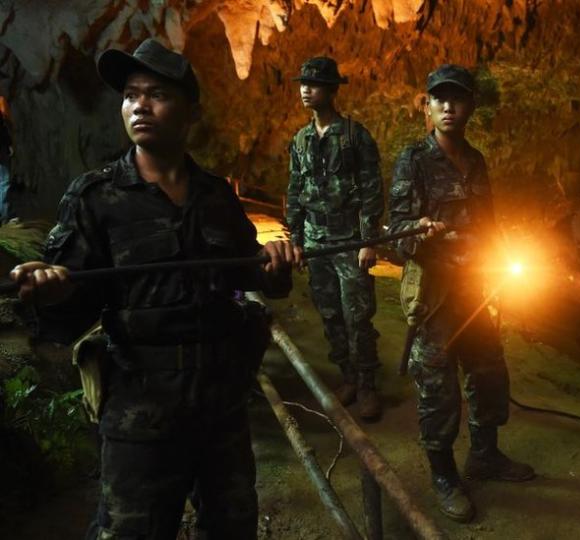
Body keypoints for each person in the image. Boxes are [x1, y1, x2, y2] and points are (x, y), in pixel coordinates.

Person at [8, 38, 300, 539]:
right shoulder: (96, 199)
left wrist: (273, 270)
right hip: (140, 412)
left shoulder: (215, 197)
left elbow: (247, 275)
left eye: (157, 93)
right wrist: (51, 291)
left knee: (232, 527)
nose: (139, 104)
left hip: (221, 408)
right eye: (130, 94)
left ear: (189, 111)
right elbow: (63, 316)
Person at [388, 64, 534, 523]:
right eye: (439, 99)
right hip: (435, 297)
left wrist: (496, 262)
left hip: (475, 292)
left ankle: (485, 456)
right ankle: (444, 475)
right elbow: (396, 233)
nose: (448, 107)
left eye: (457, 99)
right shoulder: (413, 160)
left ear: (470, 105)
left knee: (489, 372)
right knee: (438, 389)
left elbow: (488, 224)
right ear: (427, 106)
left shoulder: (476, 160)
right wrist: (421, 233)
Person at [285, 56, 385, 421]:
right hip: (315, 237)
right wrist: (295, 238)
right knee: (329, 313)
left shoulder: (354, 136)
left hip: (347, 238)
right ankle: (347, 376)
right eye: (303, 83)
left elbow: (372, 188)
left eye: (314, 84)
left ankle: (367, 385)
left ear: (331, 90)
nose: (305, 90)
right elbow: (294, 190)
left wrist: (368, 240)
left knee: (357, 315)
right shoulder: (301, 139)